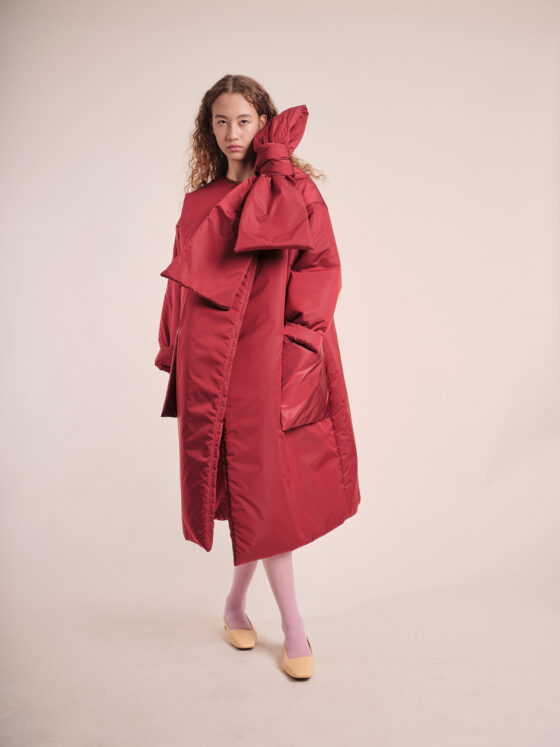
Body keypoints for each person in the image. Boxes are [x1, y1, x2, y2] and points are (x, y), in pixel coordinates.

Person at [155, 74, 361, 679]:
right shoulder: (199, 202)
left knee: (264, 490)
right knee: (243, 490)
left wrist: (300, 345)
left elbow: (321, 268)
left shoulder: (296, 191)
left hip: (272, 361)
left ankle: (290, 626)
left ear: (263, 122)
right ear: (208, 128)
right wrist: (171, 349)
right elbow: (180, 286)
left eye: (244, 120)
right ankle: (239, 609)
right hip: (210, 364)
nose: (232, 132)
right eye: (221, 121)